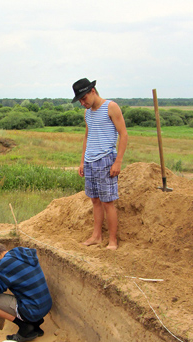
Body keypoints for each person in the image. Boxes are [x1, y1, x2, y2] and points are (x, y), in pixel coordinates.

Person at [72, 78, 128, 250]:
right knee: (95, 200)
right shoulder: (87, 112)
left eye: (84, 98)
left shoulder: (111, 107)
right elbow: (87, 137)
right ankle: (96, 236)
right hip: (90, 161)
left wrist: (118, 161)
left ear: (93, 91)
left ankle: (112, 241)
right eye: (80, 100)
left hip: (106, 159)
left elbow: (124, 134)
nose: (82, 103)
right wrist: (82, 161)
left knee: (107, 201)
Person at [0, 241, 52, 342]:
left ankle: (25, 327)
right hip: (45, 306)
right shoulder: (21, 252)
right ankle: (35, 324)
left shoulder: (4, 265)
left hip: (32, 311)